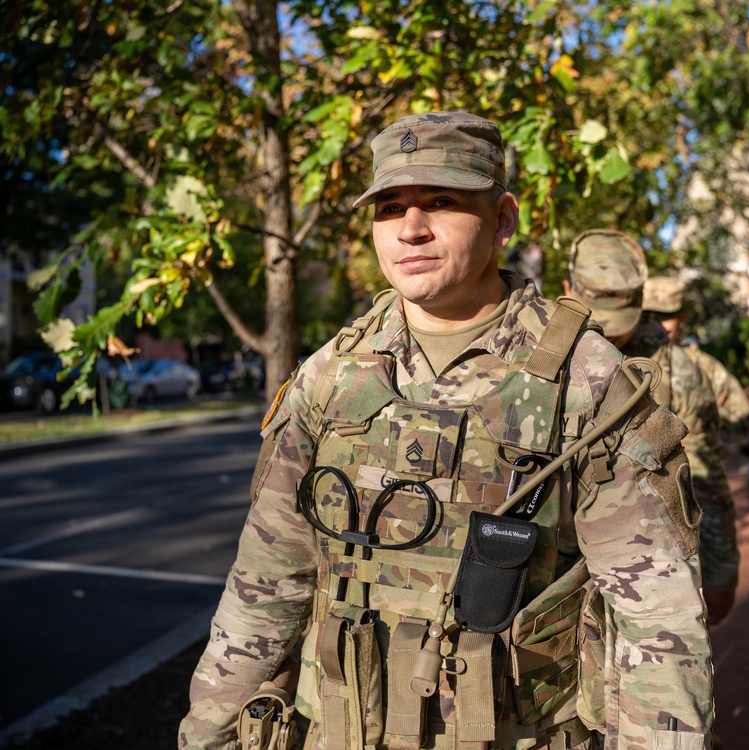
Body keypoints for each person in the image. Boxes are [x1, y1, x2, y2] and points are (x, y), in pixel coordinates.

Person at [179, 112, 714, 750]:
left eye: (442, 201)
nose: (411, 228)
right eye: (389, 207)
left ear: (503, 220)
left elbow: (657, 624)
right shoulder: (329, 376)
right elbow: (266, 584)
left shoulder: (589, 382)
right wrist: (207, 735)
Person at [562, 230, 740, 627]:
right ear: (567, 287)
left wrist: (722, 569)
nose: (605, 333)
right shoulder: (539, 350)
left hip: (647, 564)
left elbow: (705, 477)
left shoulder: (680, 375)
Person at [643, 276, 749, 440]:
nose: (656, 324)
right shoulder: (624, 360)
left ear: (682, 318)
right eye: (648, 316)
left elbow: (742, 419)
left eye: (665, 316)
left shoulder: (702, 365)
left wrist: (698, 418)